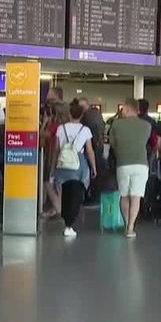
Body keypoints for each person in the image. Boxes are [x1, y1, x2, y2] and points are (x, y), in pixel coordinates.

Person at [108, 99, 153, 238]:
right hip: (141, 164)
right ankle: (131, 228)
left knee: (124, 196)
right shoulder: (147, 125)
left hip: (123, 164)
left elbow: (113, 144)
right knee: (136, 197)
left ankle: (126, 223)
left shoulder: (116, 124)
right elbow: (146, 142)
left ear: (127, 109)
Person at [52, 100, 97, 238]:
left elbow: (56, 150)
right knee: (75, 195)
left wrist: (53, 166)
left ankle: (66, 221)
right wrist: (94, 167)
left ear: (69, 114)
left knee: (65, 194)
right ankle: (70, 223)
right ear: (81, 115)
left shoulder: (61, 129)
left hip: (63, 164)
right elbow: (89, 151)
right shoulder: (85, 130)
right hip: (78, 165)